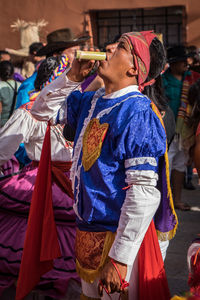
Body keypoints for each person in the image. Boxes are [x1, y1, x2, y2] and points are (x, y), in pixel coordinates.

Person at [31, 31, 178, 299]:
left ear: (135, 68)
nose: (108, 48)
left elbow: (143, 192)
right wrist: (73, 78)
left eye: (120, 46)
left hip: (117, 236)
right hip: (88, 230)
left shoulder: (138, 111)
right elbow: (40, 112)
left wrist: (120, 259)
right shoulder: (91, 101)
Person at [0, 56, 80, 299]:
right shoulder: (31, 111)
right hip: (40, 181)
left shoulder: (83, 108)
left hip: (75, 182)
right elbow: (4, 147)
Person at [162, 45, 200, 210]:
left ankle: (176, 200)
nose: (186, 63)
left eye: (186, 60)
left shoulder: (194, 78)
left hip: (186, 132)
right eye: (181, 61)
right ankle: (164, 204)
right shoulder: (163, 81)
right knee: (165, 167)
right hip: (168, 131)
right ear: (173, 63)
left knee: (180, 166)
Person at [0, 60, 21, 127]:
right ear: (13, 72)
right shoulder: (20, 85)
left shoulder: (0, 86)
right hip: (16, 124)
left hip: (3, 125)